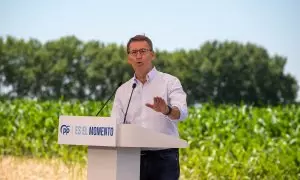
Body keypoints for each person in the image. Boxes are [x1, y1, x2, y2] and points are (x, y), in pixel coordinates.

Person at [111, 34, 188, 180]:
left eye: (143, 51)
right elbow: (114, 124)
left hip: (164, 158)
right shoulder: (123, 90)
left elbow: (182, 113)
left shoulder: (169, 82)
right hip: (131, 157)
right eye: (134, 52)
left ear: (152, 55)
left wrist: (167, 110)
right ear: (129, 58)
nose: (138, 56)